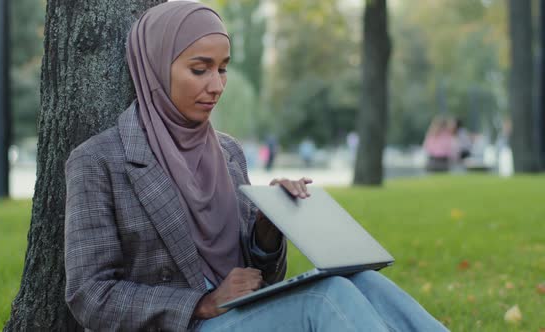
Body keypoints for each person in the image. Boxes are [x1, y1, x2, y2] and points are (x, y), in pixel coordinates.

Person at [64, 2, 448, 331]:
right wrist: (201, 302)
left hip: (241, 316)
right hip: (189, 323)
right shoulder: (99, 160)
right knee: (325, 298)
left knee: (363, 279)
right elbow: (90, 294)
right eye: (200, 70)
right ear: (156, 67)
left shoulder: (227, 153)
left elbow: (263, 276)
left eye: (223, 69)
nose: (216, 85)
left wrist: (268, 228)